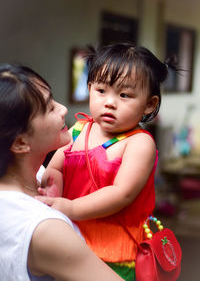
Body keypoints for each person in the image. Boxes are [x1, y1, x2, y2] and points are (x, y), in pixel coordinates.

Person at [36, 44, 175, 281]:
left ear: (149, 104)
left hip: (114, 254)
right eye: (101, 90)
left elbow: (122, 193)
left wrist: (69, 208)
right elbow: (56, 166)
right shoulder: (79, 130)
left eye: (124, 95)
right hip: (71, 242)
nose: (110, 102)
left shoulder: (139, 143)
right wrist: (53, 189)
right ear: (90, 88)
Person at [0, 63, 124, 281]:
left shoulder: (39, 177)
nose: (63, 109)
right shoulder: (44, 229)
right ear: (20, 142)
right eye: (49, 108)